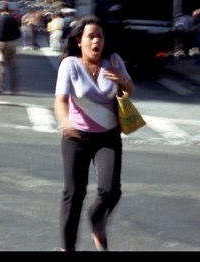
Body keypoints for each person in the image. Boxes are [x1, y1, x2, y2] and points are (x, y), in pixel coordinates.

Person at [54, 15, 134, 252]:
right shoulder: (70, 64)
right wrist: (64, 122)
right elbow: (60, 100)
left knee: (111, 191)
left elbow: (130, 89)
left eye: (100, 35)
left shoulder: (114, 61)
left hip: (108, 136)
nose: (96, 40)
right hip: (77, 137)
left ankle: (97, 220)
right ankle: (68, 248)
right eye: (91, 36)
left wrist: (122, 81)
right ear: (80, 40)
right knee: (73, 194)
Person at [0, 0, 22, 94]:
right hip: (11, 44)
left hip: (1, 44)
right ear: (9, 10)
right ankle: (14, 89)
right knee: (13, 68)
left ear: (0, 10)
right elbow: (18, 33)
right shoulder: (13, 19)